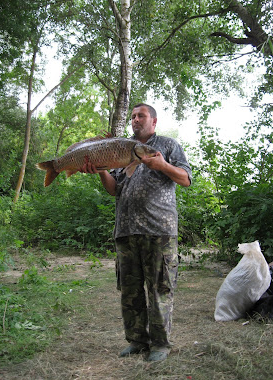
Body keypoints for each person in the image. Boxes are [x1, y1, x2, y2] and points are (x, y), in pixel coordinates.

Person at [81, 103, 192, 362]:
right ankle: (137, 341)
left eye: (141, 116)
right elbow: (114, 189)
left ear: (153, 121)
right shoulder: (119, 147)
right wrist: (100, 170)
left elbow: (186, 179)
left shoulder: (167, 145)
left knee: (159, 288)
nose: (135, 120)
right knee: (130, 290)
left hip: (159, 231)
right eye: (132, 116)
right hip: (126, 231)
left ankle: (160, 344)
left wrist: (163, 166)